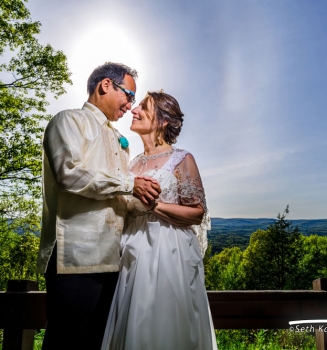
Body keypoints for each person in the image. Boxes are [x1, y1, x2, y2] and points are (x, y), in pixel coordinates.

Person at [36, 62, 161, 350]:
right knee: (66, 341)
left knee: (98, 342)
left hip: (113, 260)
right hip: (75, 257)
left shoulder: (122, 141)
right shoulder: (69, 120)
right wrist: (131, 184)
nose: (130, 105)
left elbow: (117, 196)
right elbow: (69, 174)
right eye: (128, 95)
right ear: (106, 85)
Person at [101, 91, 218, 350]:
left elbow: (197, 212)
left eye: (143, 107)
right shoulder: (131, 163)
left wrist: (155, 204)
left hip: (169, 252)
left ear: (163, 120)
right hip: (130, 252)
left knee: (165, 326)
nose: (134, 110)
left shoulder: (182, 159)